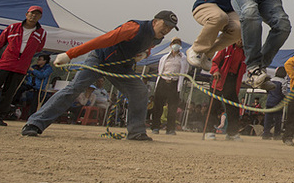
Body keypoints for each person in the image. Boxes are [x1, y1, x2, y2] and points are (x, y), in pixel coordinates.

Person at [21, 10, 177, 140]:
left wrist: (144, 54)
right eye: (165, 25)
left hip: (121, 66)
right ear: (155, 21)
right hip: (100, 59)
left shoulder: (157, 38)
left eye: (171, 28)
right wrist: (70, 54)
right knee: (75, 88)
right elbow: (102, 40)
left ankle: (136, 132)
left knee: (140, 92)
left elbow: (146, 47)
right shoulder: (134, 28)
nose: (167, 30)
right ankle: (35, 124)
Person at [0, 5, 47, 126]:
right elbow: (0, 44)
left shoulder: (41, 33)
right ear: (26, 14)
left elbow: (38, 49)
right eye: (31, 13)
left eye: (37, 14)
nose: (33, 16)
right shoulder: (12, 28)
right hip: (3, 64)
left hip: (21, 67)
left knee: (8, 94)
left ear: (40, 17)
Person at [206, 41, 246, 141]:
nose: (241, 41)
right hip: (219, 79)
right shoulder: (225, 47)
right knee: (214, 106)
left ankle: (232, 133)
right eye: (239, 37)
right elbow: (214, 62)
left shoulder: (245, 52)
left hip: (233, 80)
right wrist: (215, 70)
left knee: (233, 107)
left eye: (243, 38)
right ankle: (209, 131)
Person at [150, 37, 186, 135]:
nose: (176, 45)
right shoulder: (164, 57)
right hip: (163, 82)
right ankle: (155, 127)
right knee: (158, 106)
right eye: (174, 43)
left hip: (174, 83)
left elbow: (185, 71)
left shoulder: (183, 58)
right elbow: (160, 69)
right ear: (170, 45)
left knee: (172, 108)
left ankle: (170, 129)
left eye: (178, 43)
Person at [19, 52, 54, 119]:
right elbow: (27, 74)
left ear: (44, 61)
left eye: (40, 59)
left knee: (35, 102)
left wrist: (33, 71)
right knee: (20, 89)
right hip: (30, 85)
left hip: (39, 88)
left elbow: (42, 75)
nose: (38, 61)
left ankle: (31, 116)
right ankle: (14, 105)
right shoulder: (34, 66)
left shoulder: (48, 68)